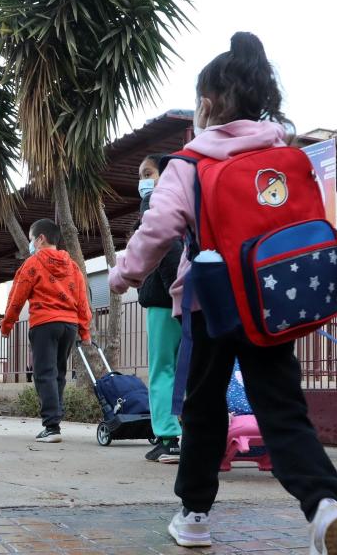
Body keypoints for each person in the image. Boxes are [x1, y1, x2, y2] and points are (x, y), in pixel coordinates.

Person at [109, 32, 337, 552]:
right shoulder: (285, 155)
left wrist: (122, 276)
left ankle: (195, 516)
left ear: (205, 105)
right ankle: (323, 506)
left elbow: (156, 232)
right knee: (283, 407)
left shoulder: (189, 164)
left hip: (211, 307)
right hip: (272, 304)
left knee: (204, 409)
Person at [0, 218, 92, 443]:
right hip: (69, 326)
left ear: (40, 238)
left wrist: (7, 324)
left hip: (44, 324)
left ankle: (51, 427)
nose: (31, 244)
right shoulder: (73, 266)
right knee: (58, 373)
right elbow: (82, 301)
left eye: (31, 239)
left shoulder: (33, 264)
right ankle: (55, 421)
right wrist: (85, 331)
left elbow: (17, 296)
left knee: (44, 374)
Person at [136, 153, 185, 464]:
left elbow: (164, 246)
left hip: (164, 300)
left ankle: (168, 438)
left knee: (162, 369)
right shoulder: (186, 204)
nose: (142, 180)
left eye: (147, 172)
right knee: (185, 370)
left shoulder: (153, 201)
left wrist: (173, 287)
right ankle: (184, 434)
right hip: (190, 299)